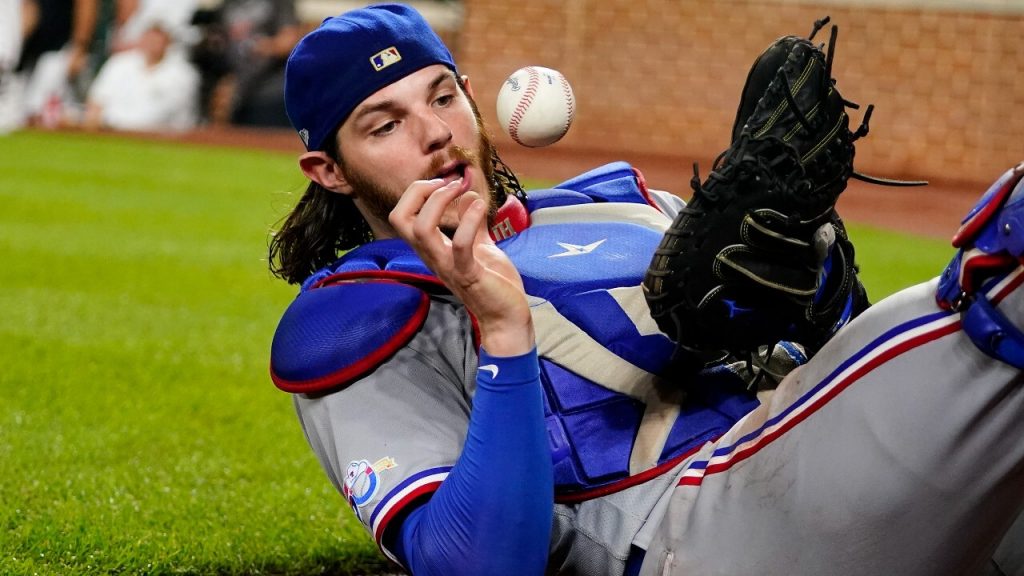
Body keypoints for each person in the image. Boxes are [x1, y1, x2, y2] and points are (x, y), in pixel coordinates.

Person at [267, 4, 1024, 575]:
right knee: (1007, 267)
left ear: (470, 95)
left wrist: (820, 289)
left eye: (440, 97)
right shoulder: (363, 319)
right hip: (693, 534)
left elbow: (836, 354)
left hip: (834, 472)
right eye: (383, 125)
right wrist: (502, 335)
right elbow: (478, 563)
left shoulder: (630, 202)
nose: (434, 133)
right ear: (328, 170)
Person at [80, 19, 200, 132]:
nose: (152, 44)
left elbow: (180, 116)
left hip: (158, 136)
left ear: (168, 43)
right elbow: (96, 101)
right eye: (149, 39)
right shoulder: (118, 63)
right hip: (111, 131)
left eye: (158, 40)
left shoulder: (184, 74)